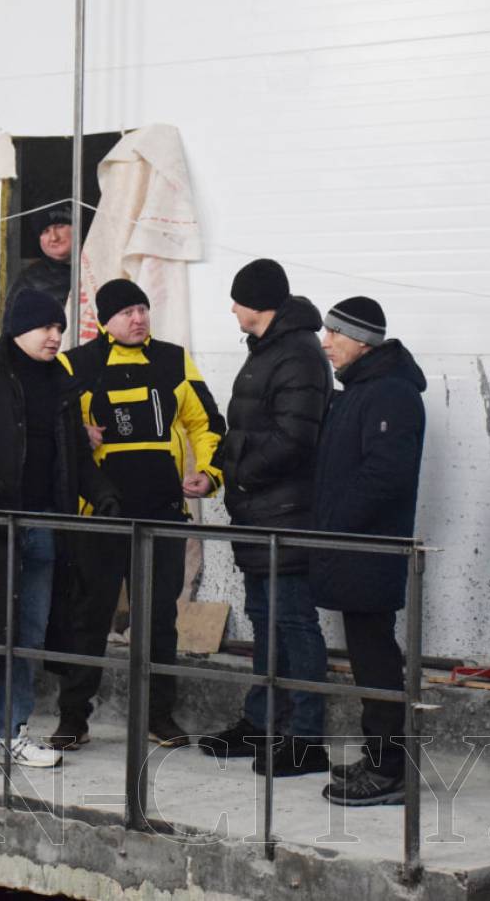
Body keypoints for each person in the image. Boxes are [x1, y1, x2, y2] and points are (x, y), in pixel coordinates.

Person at [0, 288, 120, 774]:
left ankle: (13, 733)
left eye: (60, 329)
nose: (55, 337)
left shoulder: (60, 382)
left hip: (43, 527)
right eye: (46, 327)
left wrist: (103, 493)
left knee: (28, 637)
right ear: (18, 328)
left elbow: (74, 455)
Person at [46, 278, 225, 749]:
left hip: (162, 512)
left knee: (159, 621)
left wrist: (210, 473)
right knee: (88, 618)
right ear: (106, 320)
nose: (138, 318)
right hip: (98, 515)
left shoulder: (174, 360)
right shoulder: (75, 364)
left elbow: (206, 423)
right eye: (127, 312)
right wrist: (76, 431)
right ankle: (73, 718)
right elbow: (45, 424)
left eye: (143, 309)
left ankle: (158, 716)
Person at [201, 259, 333, 776]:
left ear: (257, 304)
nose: (233, 309)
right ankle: (262, 724)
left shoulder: (297, 354)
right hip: (260, 513)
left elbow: (295, 439)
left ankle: (305, 739)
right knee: (265, 619)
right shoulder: (269, 350)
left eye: (237, 300)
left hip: (285, 513)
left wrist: (242, 475)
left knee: (295, 623)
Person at [312, 296, 426, 807]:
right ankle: (380, 756)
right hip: (351, 548)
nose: (326, 342)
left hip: (368, 549)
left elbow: (386, 474)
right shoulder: (361, 390)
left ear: (361, 341)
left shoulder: (391, 394)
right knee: (367, 653)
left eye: (335, 333)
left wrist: (335, 523)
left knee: (376, 657)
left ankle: (389, 770)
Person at [1, 207, 72, 328]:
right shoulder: (27, 281)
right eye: (45, 231)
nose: (54, 237)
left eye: (60, 226)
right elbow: (11, 332)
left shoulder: (101, 264)